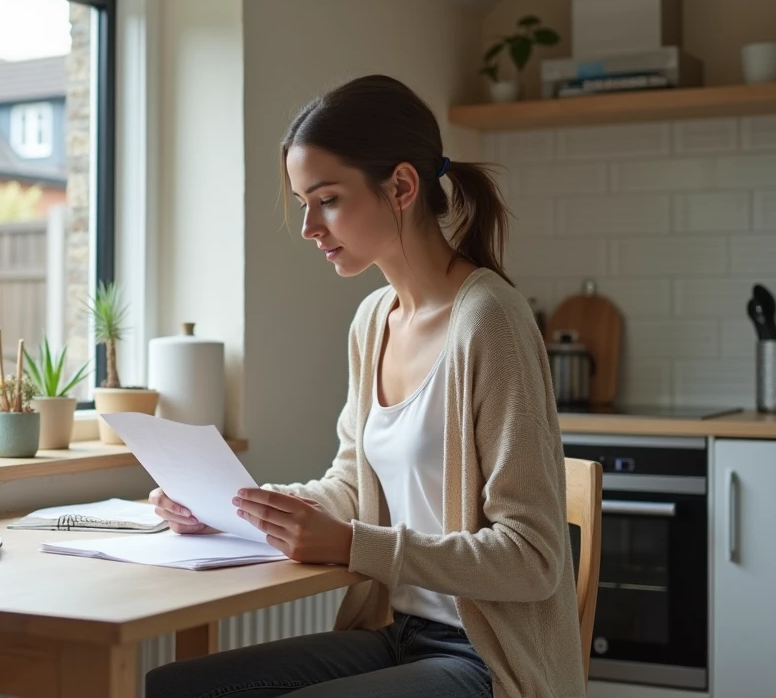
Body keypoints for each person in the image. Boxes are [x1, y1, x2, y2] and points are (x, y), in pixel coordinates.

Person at [145, 74, 584, 698]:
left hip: (489, 658)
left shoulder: (490, 322)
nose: (308, 227)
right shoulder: (373, 321)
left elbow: (534, 557)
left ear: (402, 186)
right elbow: (352, 488)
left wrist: (356, 546)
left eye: (326, 199)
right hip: (396, 634)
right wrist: (229, 509)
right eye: (303, 202)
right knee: (177, 687)